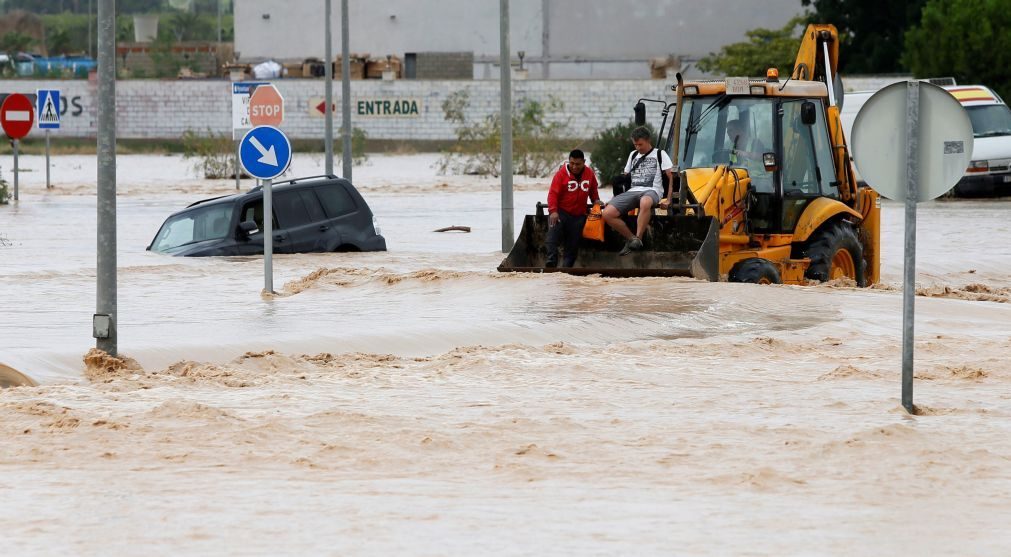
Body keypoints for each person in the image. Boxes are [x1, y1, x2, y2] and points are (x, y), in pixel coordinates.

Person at [602, 126, 674, 256]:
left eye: (640, 144)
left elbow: (671, 177)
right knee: (607, 213)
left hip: (652, 190)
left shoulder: (660, 154)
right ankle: (632, 239)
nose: (638, 148)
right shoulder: (633, 155)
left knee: (645, 202)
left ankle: (639, 237)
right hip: (633, 191)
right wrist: (615, 199)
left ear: (648, 140)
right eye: (635, 145)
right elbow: (625, 178)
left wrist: (669, 199)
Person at [545, 149, 600, 267]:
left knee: (573, 244)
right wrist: (553, 211)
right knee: (553, 236)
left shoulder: (589, 173)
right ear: (568, 161)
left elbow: (593, 189)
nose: (574, 167)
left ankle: (566, 269)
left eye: (578, 164)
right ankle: (551, 263)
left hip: (579, 215)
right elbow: (552, 194)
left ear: (584, 162)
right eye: (572, 163)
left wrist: (595, 200)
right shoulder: (560, 175)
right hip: (561, 212)